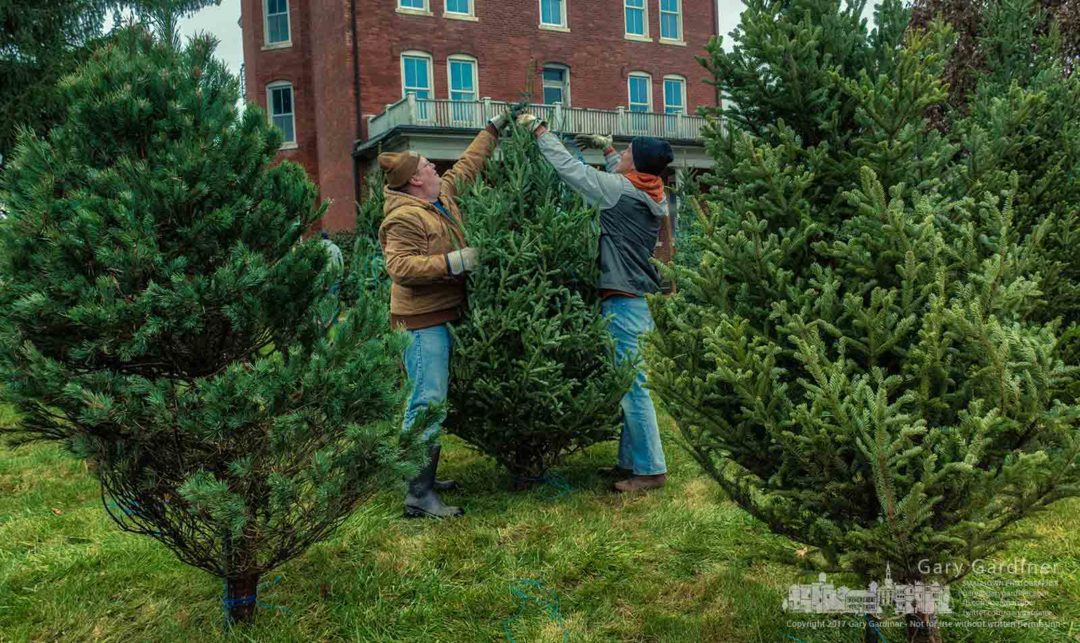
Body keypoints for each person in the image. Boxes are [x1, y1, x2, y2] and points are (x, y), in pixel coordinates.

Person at [517, 113, 674, 492]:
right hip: (641, 298)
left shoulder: (619, 190)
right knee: (629, 381)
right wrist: (606, 149)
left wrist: (540, 131)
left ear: (634, 163)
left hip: (624, 300)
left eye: (624, 151)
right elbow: (616, 177)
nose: (619, 153)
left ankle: (651, 469)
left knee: (634, 385)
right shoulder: (653, 191)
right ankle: (631, 462)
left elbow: (571, 170)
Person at [378, 112, 510, 518]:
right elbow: (399, 267)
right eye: (426, 165)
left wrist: (492, 129)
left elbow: (467, 165)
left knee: (429, 399)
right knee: (426, 401)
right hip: (420, 323)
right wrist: (454, 261)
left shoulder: (441, 199)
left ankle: (422, 479)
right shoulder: (404, 216)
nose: (434, 166)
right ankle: (418, 493)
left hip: (441, 315)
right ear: (415, 180)